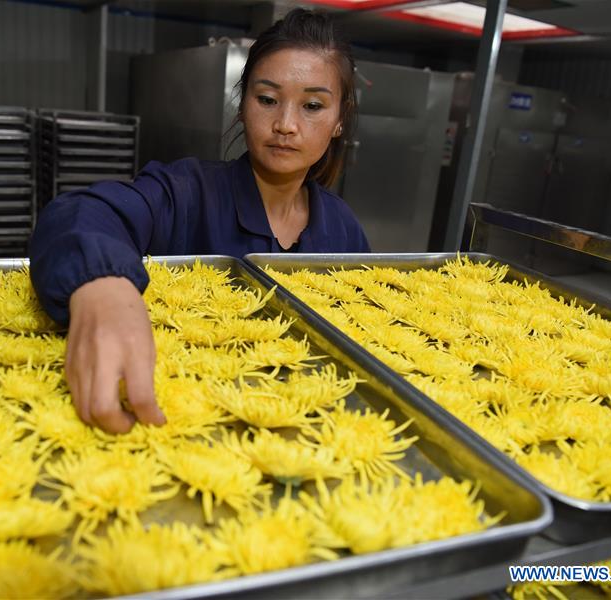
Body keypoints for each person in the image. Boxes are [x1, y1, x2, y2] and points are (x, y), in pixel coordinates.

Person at [29, 8, 370, 434]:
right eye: (267, 99)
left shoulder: (343, 230)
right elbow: (79, 213)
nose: (285, 124)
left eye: (313, 106)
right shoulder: (186, 193)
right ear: (243, 104)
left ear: (339, 121)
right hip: (172, 423)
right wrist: (103, 287)